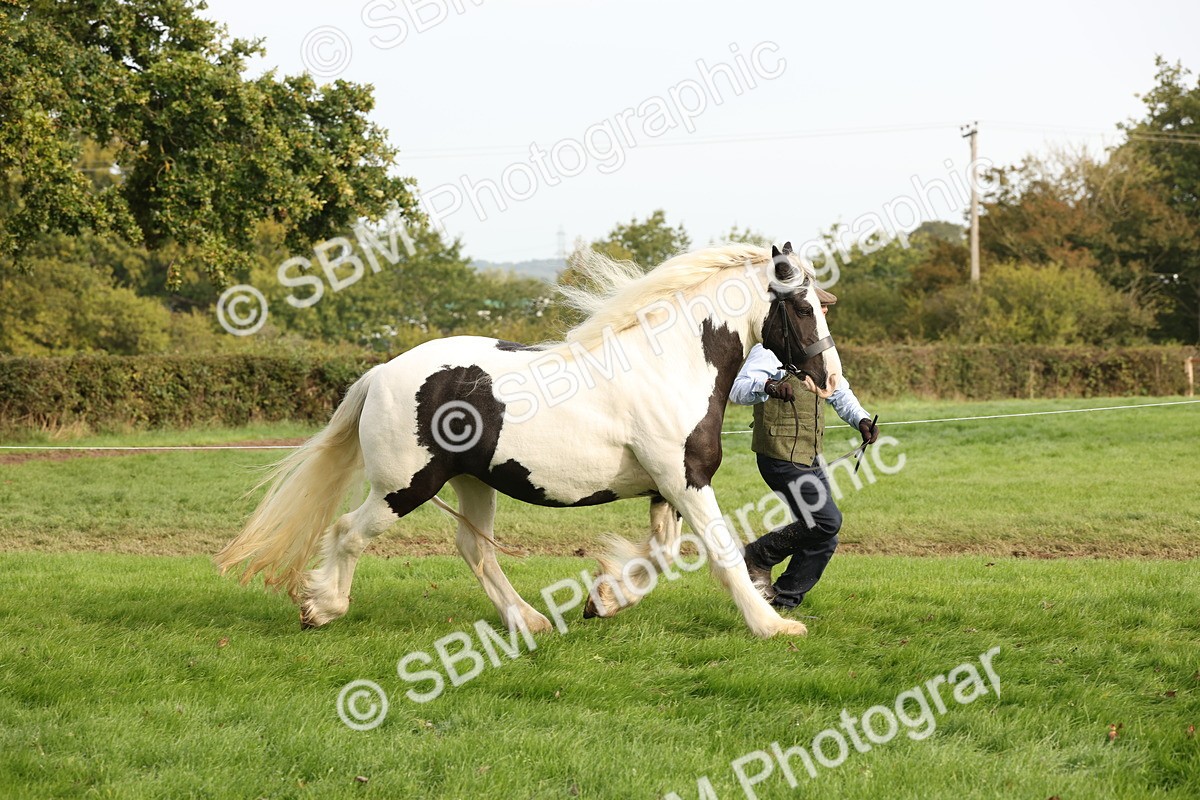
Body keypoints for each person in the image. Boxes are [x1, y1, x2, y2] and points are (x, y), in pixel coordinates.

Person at [729, 287, 879, 610]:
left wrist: (861, 419)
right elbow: (738, 389)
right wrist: (768, 386)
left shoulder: (819, 351)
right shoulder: (771, 349)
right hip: (779, 454)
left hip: (809, 456)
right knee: (827, 521)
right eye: (818, 307)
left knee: (824, 534)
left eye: (824, 308)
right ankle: (757, 555)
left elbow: (838, 390)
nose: (824, 313)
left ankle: (783, 603)